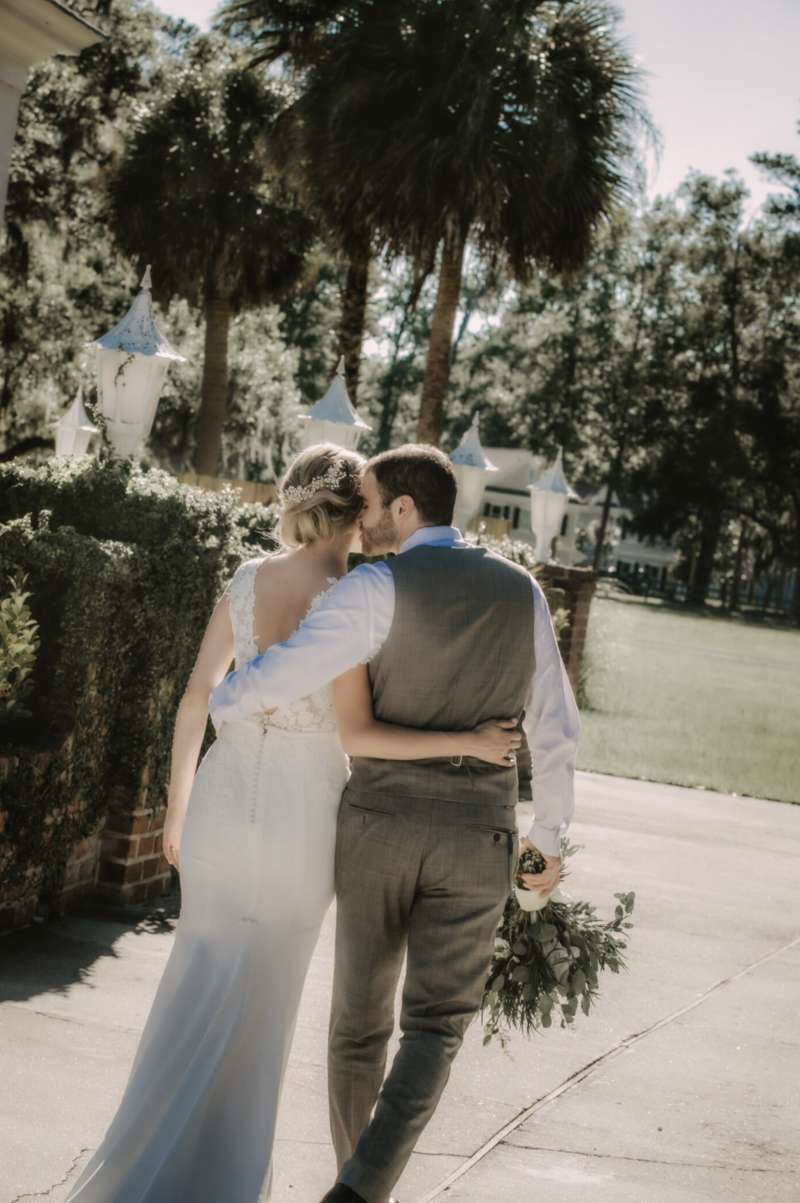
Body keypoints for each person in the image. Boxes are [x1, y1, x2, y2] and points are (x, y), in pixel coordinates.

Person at [62, 444, 520, 1203]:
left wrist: (177, 806)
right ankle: (227, 1182)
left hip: (219, 797)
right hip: (304, 814)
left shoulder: (248, 579)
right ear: (354, 511)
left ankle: (139, 1168)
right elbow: (356, 732)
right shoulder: (359, 593)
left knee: (193, 981)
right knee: (266, 1004)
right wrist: (468, 744)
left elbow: (193, 701)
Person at [209, 443, 581, 1203]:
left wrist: (224, 702)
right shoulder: (524, 593)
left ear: (405, 509)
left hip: (379, 828)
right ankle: (362, 1190)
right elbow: (556, 724)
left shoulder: (374, 588)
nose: (363, 516)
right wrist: (549, 834)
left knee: (357, 1022)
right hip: (478, 835)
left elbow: (288, 670)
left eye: (371, 503)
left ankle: (356, 1187)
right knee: (437, 1026)